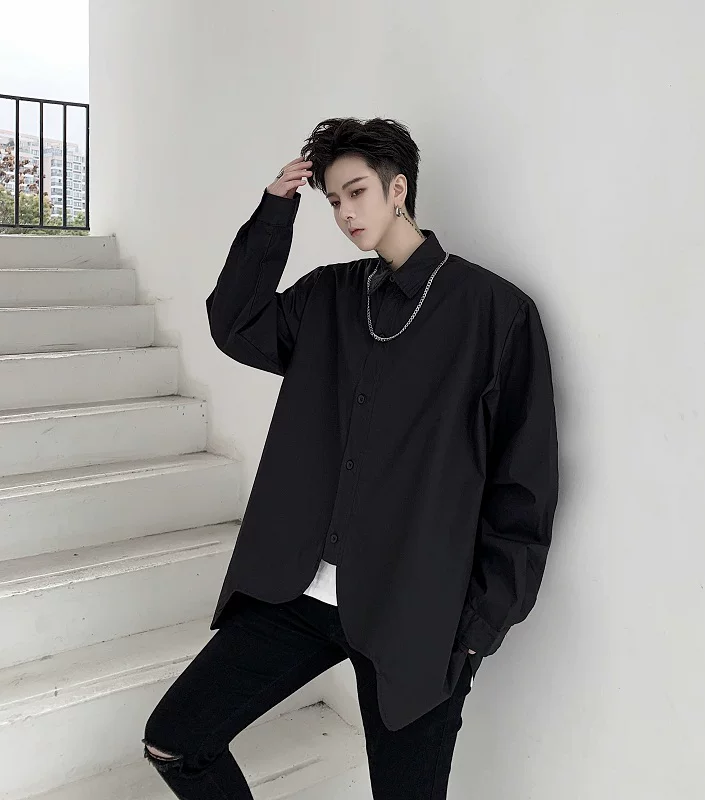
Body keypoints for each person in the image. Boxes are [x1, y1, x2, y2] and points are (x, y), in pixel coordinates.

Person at [142, 117, 559, 799]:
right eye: (334, 200)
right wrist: (276, 211)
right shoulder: (328, 297)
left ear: (399, 190)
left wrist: (478, 628)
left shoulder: (494, 311)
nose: (344, 213)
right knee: (175, 739)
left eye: (357, 192)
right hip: (298, 592)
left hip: (417, 613)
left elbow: (524, 483)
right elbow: (237, 325)